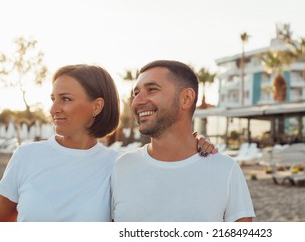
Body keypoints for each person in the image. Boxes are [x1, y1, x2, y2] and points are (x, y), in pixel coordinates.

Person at [0, 64, 214, 222]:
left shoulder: (120, 166)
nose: (54, 108)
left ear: (97, 106)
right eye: (53, 99)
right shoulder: (27, 155)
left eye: (65, 99)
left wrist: (195, 143)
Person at [111, 60, 255, 222]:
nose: (137, 101)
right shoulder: (121, 167)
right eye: (136, 93)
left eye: (152, 90)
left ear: (186, 98)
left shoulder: (226, 170)